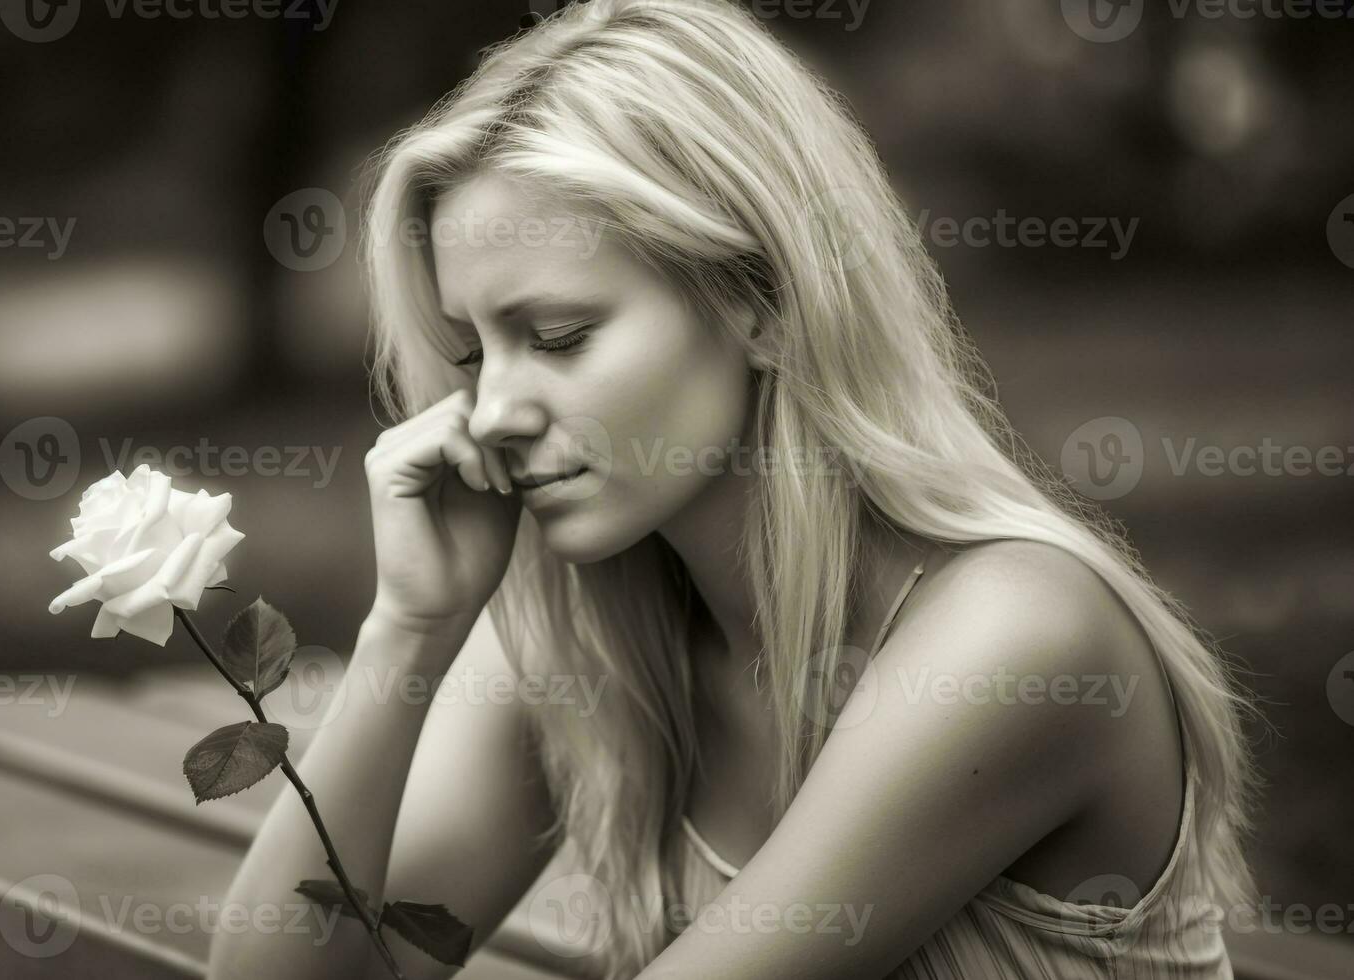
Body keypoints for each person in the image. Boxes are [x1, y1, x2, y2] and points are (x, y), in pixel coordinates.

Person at [208, 2, 1261, 976]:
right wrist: (409, 625)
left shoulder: (1017, 635)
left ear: (760, 301)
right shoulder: (582, 631)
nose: (490, 413)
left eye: (558, 336)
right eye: (472, 354)